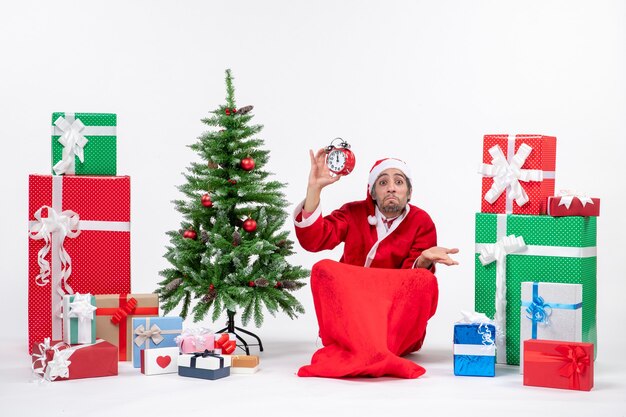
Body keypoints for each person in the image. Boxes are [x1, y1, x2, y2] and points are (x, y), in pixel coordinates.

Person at [292, 149, 459, 379]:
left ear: (409, 193)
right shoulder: (353, 212)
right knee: (323, 268)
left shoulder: (421, 221)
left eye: (399, 182)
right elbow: (314, 239)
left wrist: (423, 260)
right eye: (383, 182)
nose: (391, 187)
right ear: (372, 192)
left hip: (392, 316)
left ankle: (373, 350)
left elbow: (409, 288)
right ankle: (370, 350)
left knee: (424, 279)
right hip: (354, 311)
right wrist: (314, 189)